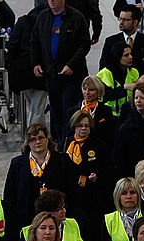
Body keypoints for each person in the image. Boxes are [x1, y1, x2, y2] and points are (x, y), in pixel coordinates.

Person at [30, 0, 92, 140]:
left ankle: (68, 140)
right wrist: (36, 63)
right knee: (55, 109)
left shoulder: (76, 17)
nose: (51, 1)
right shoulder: (43, 17)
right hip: (51, 74)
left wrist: (71, 64)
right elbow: (35, 41)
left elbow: (84, 45)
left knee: (69, 109)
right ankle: (58, 140)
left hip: (72, 75)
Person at [3, 123, 72, 239]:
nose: (37, 142)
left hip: (55, 219)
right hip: (25, 218)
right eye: (33, 139)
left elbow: (70, 189)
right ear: (28, 142)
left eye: (41, 138)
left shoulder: (62, 160)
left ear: (47, 139)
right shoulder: (17, 163)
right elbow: (10, 194)